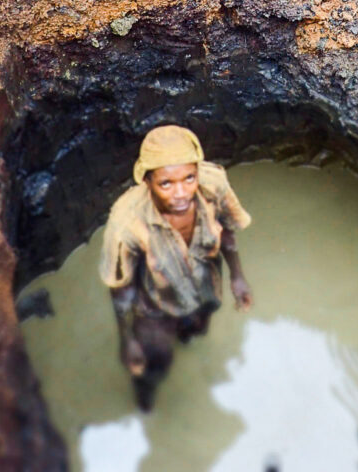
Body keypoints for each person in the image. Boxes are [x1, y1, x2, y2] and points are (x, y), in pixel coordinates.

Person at [99, 124, 253, 409]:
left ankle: (188, 339)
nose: (181, 192)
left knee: (196, 331)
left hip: (205, 287)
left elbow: (228, 232)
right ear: (147, 181)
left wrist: (238, 277)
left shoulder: (213, 184)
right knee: (154, 364)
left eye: (189, 178)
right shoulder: (126, 221)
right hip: (155, 307)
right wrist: (127, 339)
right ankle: (146, 403)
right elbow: (121, 290)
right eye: (166, 183)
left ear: (197, 171)